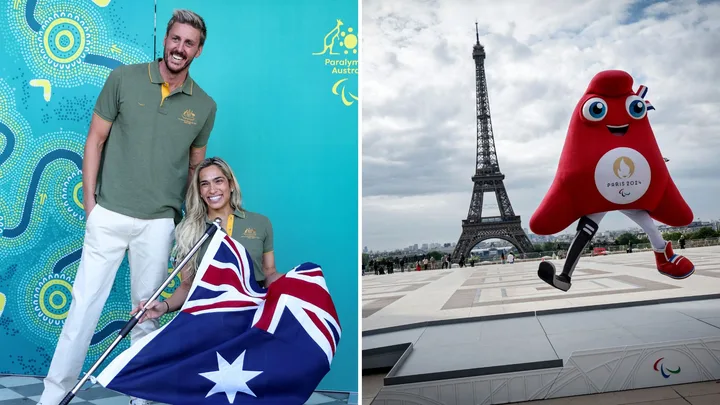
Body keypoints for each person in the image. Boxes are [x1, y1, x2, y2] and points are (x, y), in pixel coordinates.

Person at [38, 9, 216, 405]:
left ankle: (142, 396)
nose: (179, 48)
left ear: (198, 51)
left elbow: (193, 165)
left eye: (189, 43)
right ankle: (53, 395)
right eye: (175, 39)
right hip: (110, 214)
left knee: (147, 316)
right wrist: (91, 207)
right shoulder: (123, 79)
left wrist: (175, 218)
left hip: (158, 225)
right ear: (165, 40)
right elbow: (94, 140)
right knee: (83, 308)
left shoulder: (204, 106)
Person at [130, 157, 279, 322]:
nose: (212, 189)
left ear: (230, 185)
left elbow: (269, 274)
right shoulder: (188, 230)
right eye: (205, 184)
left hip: (251, 315)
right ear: (199, 192)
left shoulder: (260, 223)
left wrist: (297, 281)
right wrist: (163, 307)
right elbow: (187, 287)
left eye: (218, 181)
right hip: (207, 317)